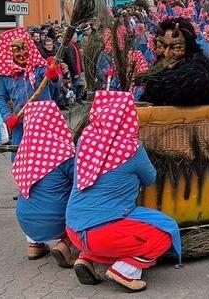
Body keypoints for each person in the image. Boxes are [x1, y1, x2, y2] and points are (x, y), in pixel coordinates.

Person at [66, 91, 181, 292]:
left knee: (108, 235)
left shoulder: (85, 142)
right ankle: (124, 271)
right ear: (127, 116)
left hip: (73, 229)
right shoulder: (132, 149)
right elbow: (150, 179)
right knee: (166, 230)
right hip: (104, 233)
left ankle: (85, 258)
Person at [12, 100, 75, 267]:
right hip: (56, 219)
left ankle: (35, 245)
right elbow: (81, 182)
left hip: (26, 221)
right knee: (85, 199)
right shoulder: (65, 154)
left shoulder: (23, 154)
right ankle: (66, 243)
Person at [0, 28, 59, 163]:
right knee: (20, 159)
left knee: (48, 157)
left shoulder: (39, 67)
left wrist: (54, 75)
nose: (22, 53)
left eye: (24, 48)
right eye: (16, 50)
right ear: (9, 53)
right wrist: (8, 117)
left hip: (44, 121)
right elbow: (0, 98)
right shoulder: (4, 76)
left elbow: (54, 82)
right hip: (20, 122)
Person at [139, 18, 209, 106]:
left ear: (189, 47)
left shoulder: (199, 70)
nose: (166, 54)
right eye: (162, 46)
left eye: (176, 47)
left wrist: (151, 81)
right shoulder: (162, 65)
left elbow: (167, 91)